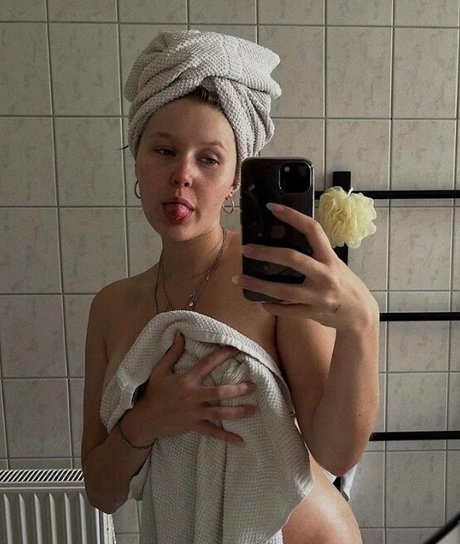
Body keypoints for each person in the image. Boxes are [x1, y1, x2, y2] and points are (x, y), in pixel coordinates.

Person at [81, 30, 380, 544]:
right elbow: (102, 493)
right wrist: (148, 419)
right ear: (137, 160)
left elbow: (335, 454)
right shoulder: (112, 307)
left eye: (209, 159)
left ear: (235, 181)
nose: (182, 175)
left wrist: (362, 325)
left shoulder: (272, 278)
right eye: (164, 150)